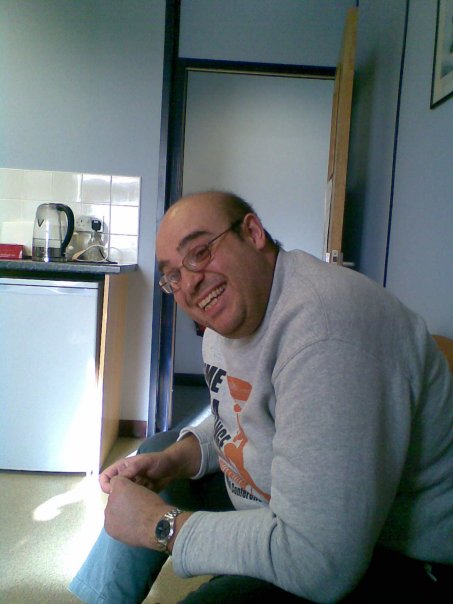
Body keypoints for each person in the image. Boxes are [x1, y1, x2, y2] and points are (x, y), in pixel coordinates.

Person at [70, 191, 453, 603]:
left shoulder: (326, 336)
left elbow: (319, 561)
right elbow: (240, 415)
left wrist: (161, 526)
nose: (190, 283)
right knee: (159, 451)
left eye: (200, 252)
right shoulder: (228, 321)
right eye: (173, 276)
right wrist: (178, 458)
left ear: (252, 233)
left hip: (393, 553)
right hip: (282, 502)